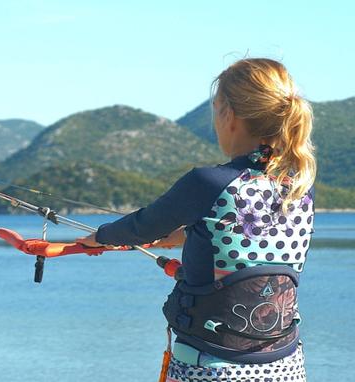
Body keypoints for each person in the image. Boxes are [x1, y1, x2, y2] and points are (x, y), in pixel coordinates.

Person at [78, 58, 315, 382]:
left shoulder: (207, 182)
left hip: (211, 366)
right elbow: (255, 242)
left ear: (229, 116)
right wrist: (189, 236)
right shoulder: (299, 186)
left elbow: (142, 226)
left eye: (216, 109)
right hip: (285, 366)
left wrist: (100, 236)